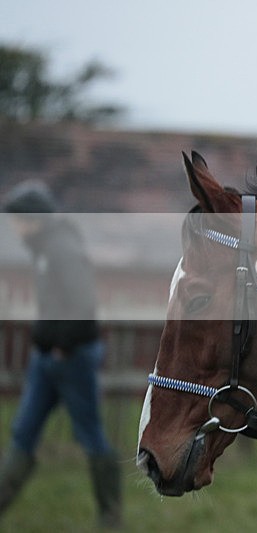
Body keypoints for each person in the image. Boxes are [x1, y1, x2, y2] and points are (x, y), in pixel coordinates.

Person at [0, 181, 122, 528]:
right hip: (46, 360)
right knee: (23, 432)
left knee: (91, 435)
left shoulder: (61, 249)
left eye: (17, 219)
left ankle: (110, 517)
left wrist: (62, 347)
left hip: (71, 358)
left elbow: (83, 306)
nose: (13, 226)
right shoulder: (40, 247)